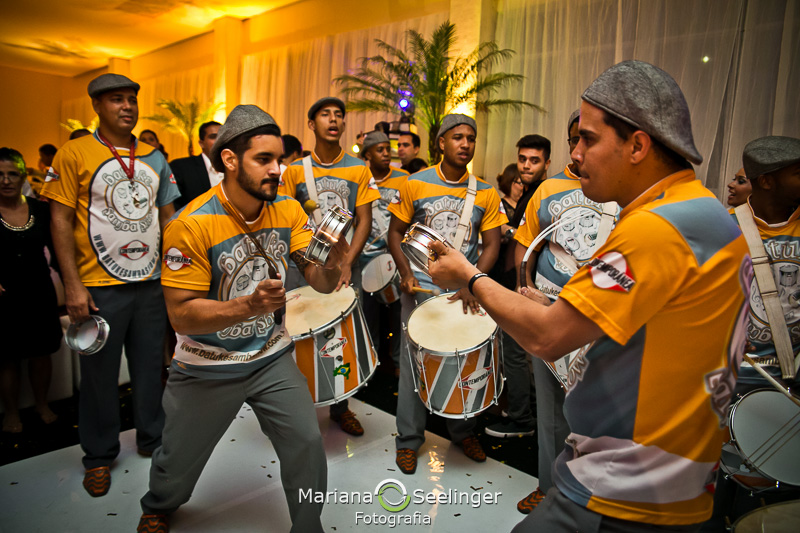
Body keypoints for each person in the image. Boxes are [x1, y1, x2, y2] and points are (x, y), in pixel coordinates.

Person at [427, 60, 749, 532]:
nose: (575, 155)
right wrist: (556, 308)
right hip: (682, 481)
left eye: (589, 140)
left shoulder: (654, 229)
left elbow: (547, 337)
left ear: (638, 145)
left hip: (621, 488)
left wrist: (468, 275)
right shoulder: (709, 215)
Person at [137, 104, 342, 533]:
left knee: (306, 442)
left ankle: (309, 527)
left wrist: (332, 253)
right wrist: (248, 305)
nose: (277, 170)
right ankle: (159, 504)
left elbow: (321, 283)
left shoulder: (287, 211)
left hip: (270, 356)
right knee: (176, 463)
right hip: (207, 365)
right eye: (263, 160)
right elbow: (181, 315)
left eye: (280, 160)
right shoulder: (191, 225)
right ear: (230, 160)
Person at [40, 73, 179, 498]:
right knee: (99, 376)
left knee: (151, 369)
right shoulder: (74, 153)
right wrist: (74, 286)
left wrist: (178, 274)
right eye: (116, 100)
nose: (127, 107)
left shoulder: (155, 157)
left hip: (152, 283)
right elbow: (59, 221)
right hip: (99, 288)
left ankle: (153, 440)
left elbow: (169, 219)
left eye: (132, 99)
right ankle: (99, 456)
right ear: (97, 106)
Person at [507, 110, 620, 513]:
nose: (579, 149)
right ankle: (548, 485)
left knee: (595, 405)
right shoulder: (549, 188)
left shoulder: (619, 187)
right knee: (551, 406)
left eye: (588, 139)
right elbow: (527, 243)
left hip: (598, 315)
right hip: (547, 307)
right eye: (574, 139)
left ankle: (587, 492)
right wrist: (526, 289)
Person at [387, 113, 506, 475]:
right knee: (413, 366)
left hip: (462, 295)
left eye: (470, 138)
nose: (465, 144)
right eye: (457, 137)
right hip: (421, 292)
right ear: (441, 142)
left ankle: (463, 432)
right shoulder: (415, 183)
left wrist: (473, 282)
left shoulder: (484, 190)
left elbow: (493, 242)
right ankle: (408, 440)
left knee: (463, 362)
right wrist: (406, 273)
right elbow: (395, 233)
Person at [703, 136, 800, 530]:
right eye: (798, 173)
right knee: (713, 480)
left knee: (775, 488)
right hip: (731, 375)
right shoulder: (721, 231)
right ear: (767, 181)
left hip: (790, 378)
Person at [279, 96, 380, 436]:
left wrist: (348, 263)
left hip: (343, 265)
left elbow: (364, 220)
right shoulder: (293, 172)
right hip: (301, 267)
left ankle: (342, 406)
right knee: (299, 336)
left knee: (340, 337)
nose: (334, 120)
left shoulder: (358, 168)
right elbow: (284, 219)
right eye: (325, 114)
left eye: (339, 115)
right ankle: (296, 409)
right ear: (312, 124)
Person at [485, 134, 554, 448]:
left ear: (546, 163)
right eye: (523, 159)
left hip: (524, 288)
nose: (526, 166)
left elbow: (532, 247)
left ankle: (522, 419)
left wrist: (521, 286)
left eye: (534, 160)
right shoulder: (529, 193)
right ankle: (526, 413)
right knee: (518, 355)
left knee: (515, 354)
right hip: (514, 285)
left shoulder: (542, 193)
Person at [0, 148, 62, 433]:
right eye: (0, 175)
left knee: (41, 353)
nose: (6, 180)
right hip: (4, 296)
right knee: (7, 357)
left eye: (13, 174)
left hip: (39, 290)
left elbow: (60, 251)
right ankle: (11, 412)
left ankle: (41, 404)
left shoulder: (40, 209)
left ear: (23, 175)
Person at [359, 130, 409, 372]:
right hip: (366, 260)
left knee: (399, 316)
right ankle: (371, 365)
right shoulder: (360, 177)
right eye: (380, 150)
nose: (387, 153)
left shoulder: (403, 178)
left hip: (395, 260)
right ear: (367, 154)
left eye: (388, 148)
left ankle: (398, 363)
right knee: (368, 317)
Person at [169, 121, 222, 210]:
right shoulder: (182, 168)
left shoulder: (236, 168)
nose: (219, 141)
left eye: (222, 136)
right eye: (213, 137)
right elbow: (173, 205)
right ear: (201, 143)